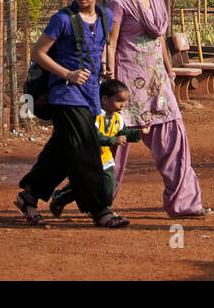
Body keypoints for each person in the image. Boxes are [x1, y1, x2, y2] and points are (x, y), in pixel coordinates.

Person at [15, 0, 129, 228]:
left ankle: (29, 196)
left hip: (90, 95)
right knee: (86, 150)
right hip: (65, 95)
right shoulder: (62, 19)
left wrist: (106, 68)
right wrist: (67, 74)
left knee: (63, 153)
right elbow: (37, 53)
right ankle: (100, 210)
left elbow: (105, 46)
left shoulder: (105, 16)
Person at [107, 0, 209, 218]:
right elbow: (112, 42)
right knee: (115, 146)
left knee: (174, 140)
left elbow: (159, 38)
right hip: (127, 82)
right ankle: (98, 202)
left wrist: (168, 66)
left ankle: (184, 203)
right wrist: (109, 77)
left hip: (157, 82)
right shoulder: (118, 1)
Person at [48, 78, 144, 216]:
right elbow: (92, 136)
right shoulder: (94, 116)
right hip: (88, 158)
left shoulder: (118, 118)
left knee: (108, 185)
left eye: (125, 101)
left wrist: (139, 133)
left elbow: (125, 134)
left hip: (105, 158)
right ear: (104, 99)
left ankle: (101, 210)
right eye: (119, 100)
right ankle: (60, 198)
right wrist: (112, 140)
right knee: (84, 186)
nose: (123, 105)